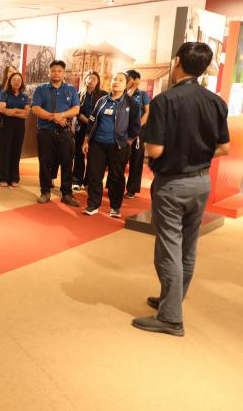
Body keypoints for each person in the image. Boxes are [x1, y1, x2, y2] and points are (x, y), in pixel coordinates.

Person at [131, 42, 230, 337]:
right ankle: (172, 299)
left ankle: (171, 318)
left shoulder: (165, 101)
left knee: (169, 248)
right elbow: (223, 148)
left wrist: (153, 154)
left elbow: (155, 149)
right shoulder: (216, 101)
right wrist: (197, 158)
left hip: (172, 184)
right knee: (188, 245)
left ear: (177, 62)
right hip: (201, 182)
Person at [81, 72, 140, 217]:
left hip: (118, 145)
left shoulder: (131, 103)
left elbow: (135, 126)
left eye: (120, 80)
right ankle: (93, 204)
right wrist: (87, 139)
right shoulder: (102, 100)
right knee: (94, 175)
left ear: (126, 85)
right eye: (114, 79)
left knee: (116, 177)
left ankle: (115, 207)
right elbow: (92, 120)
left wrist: (128, 141)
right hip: (97, 144)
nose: (116, 82)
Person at [31, 60, 81, 206]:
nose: (56, 73)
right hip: (45, 131)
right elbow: (35, 109)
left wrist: (62, 115)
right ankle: (45, 192)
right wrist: (54, 117)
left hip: (65, 132)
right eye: (53, 70)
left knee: (67, 163)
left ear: (63, 73)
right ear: (49, 72)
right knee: (45, 163)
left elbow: (76, 109)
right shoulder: (41, 89)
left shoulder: (71, 89)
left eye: (59, 71)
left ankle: (67, 194)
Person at [72, 71, 106, 191]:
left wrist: (94, 125)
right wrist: (89, 122)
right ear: (85, 80)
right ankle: (77, 180)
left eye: (94, 79)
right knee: (79, 155)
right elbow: (77, 111)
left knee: (93, 156)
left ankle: (88, 182)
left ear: (98, 82)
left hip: (97, 130)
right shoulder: (79, 94)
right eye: (89, 78)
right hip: (81, 128)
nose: (91, 81)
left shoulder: (103, 95)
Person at [0, 73, 31, 186]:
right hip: (6, 125)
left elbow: (27, 113)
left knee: (16, 151)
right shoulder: (4, 93)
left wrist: (13, 111)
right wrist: (19, 112)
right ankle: (3, 177)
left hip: (19, 126)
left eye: (19, 80)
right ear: (10, 81)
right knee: (5, 151)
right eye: (14, 79)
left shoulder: (24, 95)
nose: (16, 82)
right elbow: (2, 109)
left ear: (22, 82)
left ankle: (14, 178)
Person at [124, 69, 151, 199]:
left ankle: (131, 189)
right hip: (123, 130)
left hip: (138, 131)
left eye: (129, 79)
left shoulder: (143, 95)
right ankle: (115, 186)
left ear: (136, 80)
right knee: (119, 159)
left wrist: (137, 127)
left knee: (136, 160)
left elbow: (147, 112)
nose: (127, 81)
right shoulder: (122, 93)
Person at [0, 66, 16, 173]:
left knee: (10, 143)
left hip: (12, 118)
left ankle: (6, 165)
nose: (12, 73)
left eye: (14, 71)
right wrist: (5, 107)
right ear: (6, 73)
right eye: (9, 71)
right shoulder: (0, 87)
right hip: (0, 117)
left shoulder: (17, 87)